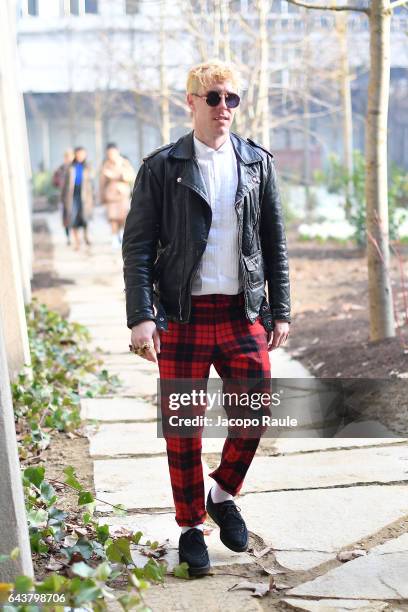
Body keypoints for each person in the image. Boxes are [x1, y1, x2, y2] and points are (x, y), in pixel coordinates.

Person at [122, 60, 291, 576]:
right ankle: (191, 526)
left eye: (232, 99)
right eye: (214, 97)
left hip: (242, 313)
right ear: (191, 102)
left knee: (256, 409)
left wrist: (280, 309)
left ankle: (222, 492)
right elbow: (139, 247)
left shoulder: (257, 162)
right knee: (184, 429)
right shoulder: (160, 166)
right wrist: (141, 316)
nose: (224, 108)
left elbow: (274, 242)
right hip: (183, 315)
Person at [99, 143, 136, 249]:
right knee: (113, 218)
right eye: (109, 153)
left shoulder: (124, 163)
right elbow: (102, 183)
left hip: (123, 195)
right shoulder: (105, 165)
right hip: (110, 196)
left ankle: (121, 235)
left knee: (124, 218)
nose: (111, 155)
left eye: (113, 152)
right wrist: (101, 196)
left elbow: (132, 176)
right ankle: (114, 238)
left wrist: (120, 176)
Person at [61, 146, 94, 250]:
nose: (80, 156)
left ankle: (86, 236)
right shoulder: (70, 167)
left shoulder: (88, 167)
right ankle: (77, 241)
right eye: (78, 154)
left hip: (84, 195)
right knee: (73, 218)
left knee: (84, 218)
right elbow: (65, 184)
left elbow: (91, 184)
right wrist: (63, 198)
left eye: (83, 154)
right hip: (72, 195)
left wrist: (93, 197)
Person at [53, 148, 74, 245]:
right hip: (64, 198)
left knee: (75, 218)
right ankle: (68, 237)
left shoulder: (75, 167)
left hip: (75, 197)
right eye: (66, 156)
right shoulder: (61, 169)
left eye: (70, 156)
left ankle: (76, 238)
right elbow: (54, 182)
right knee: (66, 219)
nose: (68, 158)